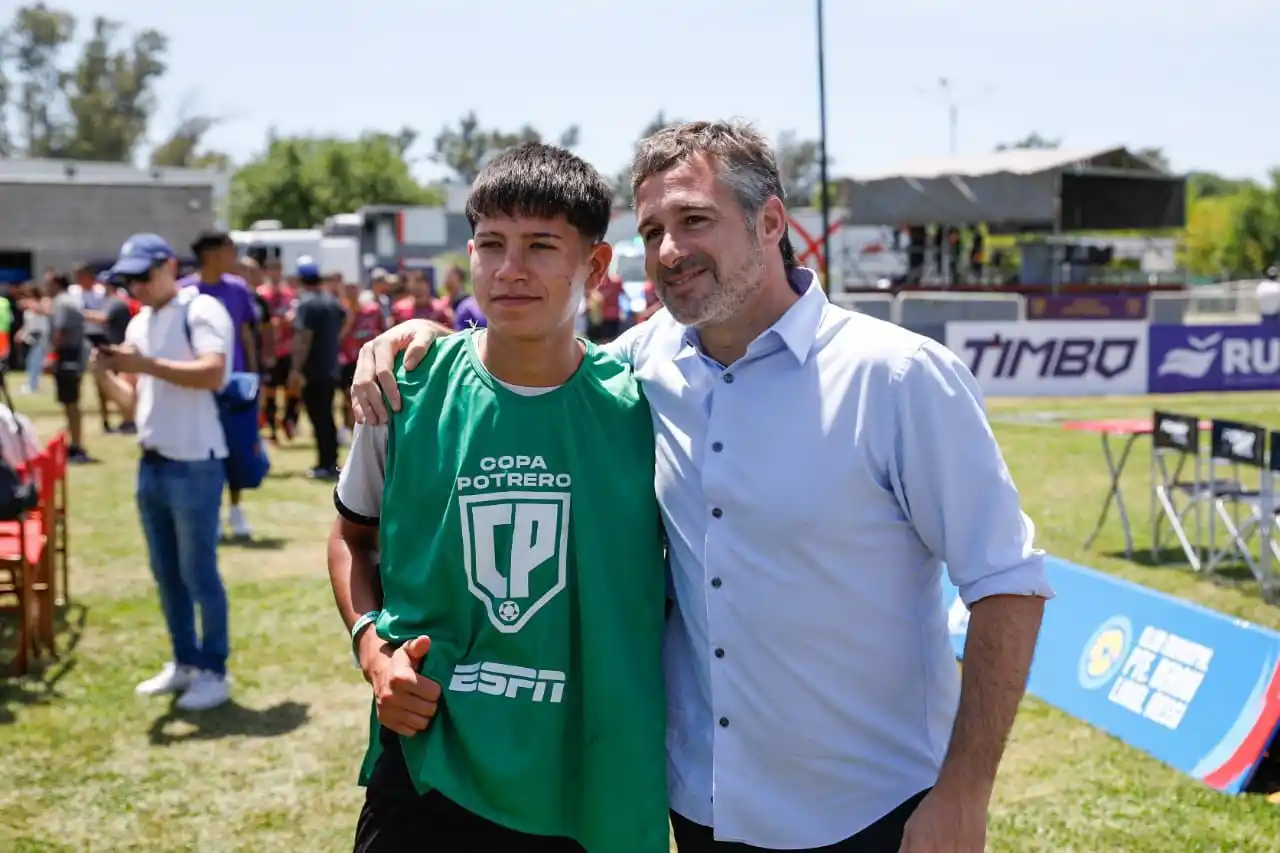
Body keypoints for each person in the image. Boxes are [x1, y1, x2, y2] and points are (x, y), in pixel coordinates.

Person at [349, 120, 1051, 853]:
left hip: (871, 810)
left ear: (770, 222)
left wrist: (965, 789)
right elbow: (530, 354)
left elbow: (1007, 581)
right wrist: (424, 338)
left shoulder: (898, 376)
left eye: (694, 220)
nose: (669, 252)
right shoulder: (637, 368)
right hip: (702, 807)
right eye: (653, 230)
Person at [328, 142, 669, 853]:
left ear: (595, 267)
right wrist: (374, 652)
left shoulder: (646, 406)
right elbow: (352, 537)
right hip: (429, 761)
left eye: (541, 245)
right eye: (491, 244)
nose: (511, 268)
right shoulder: (406, 388)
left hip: (590, 772)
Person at [91, 233, 234, 711]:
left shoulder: (202, 310)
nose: (136, 287)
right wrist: (105, 374)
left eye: (142, 276)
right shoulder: (141, 322)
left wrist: (144, 364)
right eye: (128, 281)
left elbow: (213, 372)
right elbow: (135, 401)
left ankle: (214, 670)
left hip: (195, 461)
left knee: (199, 573)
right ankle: (185, 661)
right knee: (167, 574)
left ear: (169, 266)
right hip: (152, 461)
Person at [184, 231, 259, 539]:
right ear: (212, 255)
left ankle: (236, 510)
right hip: (198, 385)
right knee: (204, 451)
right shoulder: (185, 292)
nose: (235, 259)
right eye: (230, 252)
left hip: (234, 383)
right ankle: (210, 511)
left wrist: (253, 375)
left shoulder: (238, 289)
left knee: (236, 447)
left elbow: (246, 334)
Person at [288, 257, 345, 480]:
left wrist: (295, 369)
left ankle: (325, 464)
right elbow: (346, 318)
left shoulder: (306, 303)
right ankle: (331, 461)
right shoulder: (332, 301)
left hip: (314, 369)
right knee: (327, 416)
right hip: (331, 365)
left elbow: (303, 337)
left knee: (319, 417)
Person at [47, 273, 92, 463]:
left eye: (49, 284)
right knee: (69, 402)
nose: (46, 287)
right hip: (72, 355)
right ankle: (74, 443)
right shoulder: (67, 300)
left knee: (71, 402)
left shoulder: (62, 302)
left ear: (57, 284)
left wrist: (51, 356)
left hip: (68, 356)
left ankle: (77, 446)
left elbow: (61, 331)